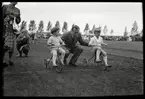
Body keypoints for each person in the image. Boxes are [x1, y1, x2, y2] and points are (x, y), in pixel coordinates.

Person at [2, 2, 21, 67]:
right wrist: (8, 16)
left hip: (12, 30)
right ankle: (3, 60)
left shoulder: (17, 10)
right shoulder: (5, 7)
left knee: (12, 46)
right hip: (5, 29)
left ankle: (10, 59)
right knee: (5, 45)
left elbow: (18, 20)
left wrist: (16, 18)